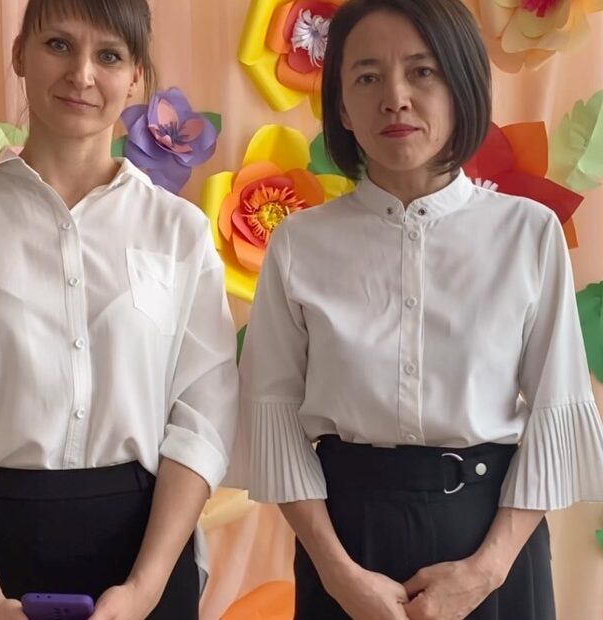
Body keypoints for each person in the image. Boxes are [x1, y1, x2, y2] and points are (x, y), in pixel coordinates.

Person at [234, 0, 603, 618]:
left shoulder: (528, 233)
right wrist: (338, 574)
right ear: (341, 106)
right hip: (345, 544)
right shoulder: (299, 243)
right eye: (367, 76)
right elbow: (272, 416)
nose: (395, 98)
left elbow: (555, 408)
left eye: (422, 71)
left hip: (494, 543)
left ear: (461, 87)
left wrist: (486, 572)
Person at [0, 1, 238, 619]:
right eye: (58, 45)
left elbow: (203, 420)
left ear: (137, 77)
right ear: (19, 53)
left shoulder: (179, 232)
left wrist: (145, 590)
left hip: (146, 555)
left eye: (109, 55)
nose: (82, 74)